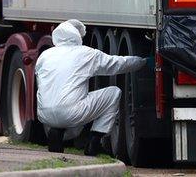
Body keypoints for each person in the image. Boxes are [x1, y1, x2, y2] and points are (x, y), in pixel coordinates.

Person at [36, 20, 147, 156]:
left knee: (68, 107)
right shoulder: (86, 53)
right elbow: (116, 64)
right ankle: (94, 141)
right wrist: (143, 61)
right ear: (77, 36)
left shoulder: (45, 56)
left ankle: (57, 133)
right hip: (71, 112)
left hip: (44, 115)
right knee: (113, 93)